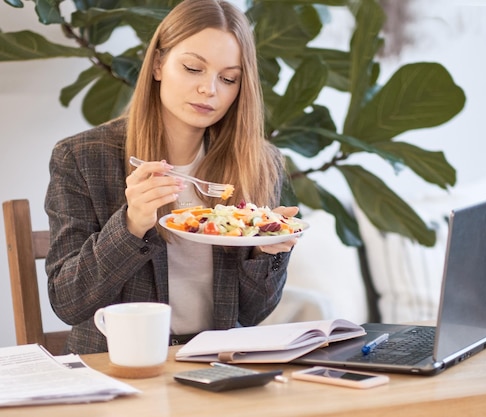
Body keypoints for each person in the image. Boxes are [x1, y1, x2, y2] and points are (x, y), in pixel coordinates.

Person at [44, 0, 298, 354]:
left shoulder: (258, 162)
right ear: (159, 64)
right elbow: (68, 302)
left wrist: (266, 252)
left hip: (217, 362)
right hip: (119, 367)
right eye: (193, 68)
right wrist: (130, 224)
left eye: (228, 78)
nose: (210, 89)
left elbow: (253, 313)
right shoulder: (82, 157)